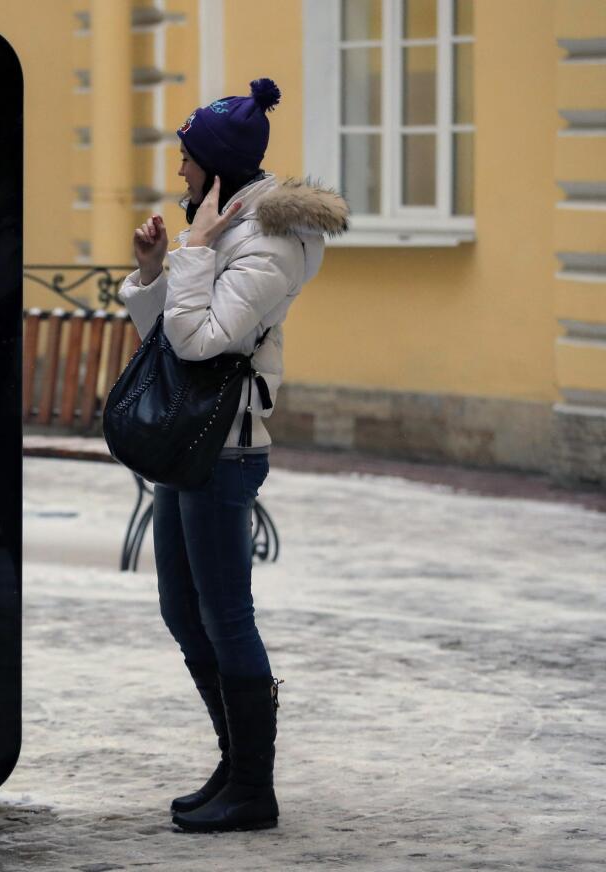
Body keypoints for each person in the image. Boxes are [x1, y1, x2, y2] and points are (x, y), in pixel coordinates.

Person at [118, 78, 348, 833]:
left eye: (187, 159)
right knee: (183, 612)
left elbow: (201, 340)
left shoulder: (272, 241)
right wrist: (158, 269)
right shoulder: (221, 227)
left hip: (227, 452)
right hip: (193, 444)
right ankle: (232, 763)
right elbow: (173, 338)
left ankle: (255, 788)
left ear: (215, 168)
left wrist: (190, 252)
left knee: (226, 616)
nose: (178, 172)